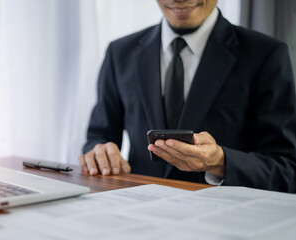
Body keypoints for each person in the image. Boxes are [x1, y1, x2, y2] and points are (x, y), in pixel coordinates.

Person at [79, 0, 296, 192]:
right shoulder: (119, 53)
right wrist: (98, 153)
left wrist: (221, 162)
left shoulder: (266, 55)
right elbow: (99, 136)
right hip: (139, 218)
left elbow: (287, 170)